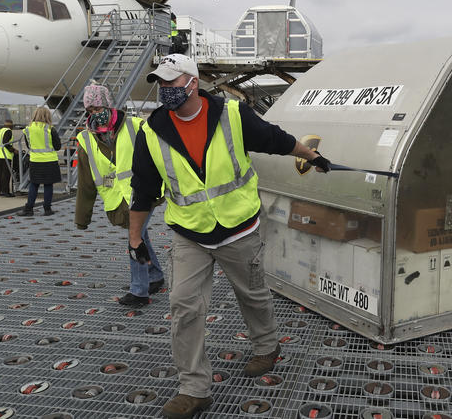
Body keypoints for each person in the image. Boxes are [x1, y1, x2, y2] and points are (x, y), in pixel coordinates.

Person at [128, 54, 331, 419]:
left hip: (240, 228)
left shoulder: (232, 115)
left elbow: (276, 140)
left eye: (171, 82)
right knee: (184, 305)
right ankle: (194, 388)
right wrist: (134, 238)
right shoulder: (151, 131)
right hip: (189, 233)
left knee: (251, 293)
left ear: (192, 82)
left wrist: (310, 155)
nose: (165, 90)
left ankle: (266, 347)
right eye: (161, 83)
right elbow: (143, 189)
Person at [75, 81, 165, 305]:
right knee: (140, 236)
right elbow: (86, 182)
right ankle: (155, 275)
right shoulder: (85, 139)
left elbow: (159, 158)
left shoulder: (136, 126)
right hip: (118, 200)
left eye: (97, 109)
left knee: (134, 239)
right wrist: (82, 218)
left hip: (144, 194)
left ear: (108, 106)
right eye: (90, 111)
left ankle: (139, 291)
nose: (95, 114)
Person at [18, 107, 61, 216]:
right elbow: (57, 146)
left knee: (34, 184)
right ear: (47, 116)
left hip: (35, 160)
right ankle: (47, 209)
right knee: (48, 185)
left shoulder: (28, 129)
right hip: (50, 161)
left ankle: (29, 209)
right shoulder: (50, 129)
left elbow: (28, 146)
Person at [0, 119, 17, 197]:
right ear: (11, 125)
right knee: (6, 174)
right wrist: (13, 150)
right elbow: (5, 142)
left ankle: (1, 191)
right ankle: (5, 191)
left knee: (0, 174)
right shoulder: (8, 131)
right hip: (5, 155)